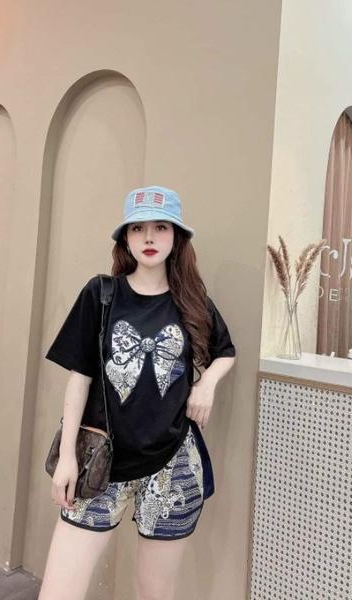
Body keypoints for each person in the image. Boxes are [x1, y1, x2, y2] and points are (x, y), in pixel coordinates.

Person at [39, 185, 236, 600]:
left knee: (154, 592)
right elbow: (79, 378)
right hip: (101, 461)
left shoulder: (192, 302)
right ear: (125, 238)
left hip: (173, 464)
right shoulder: (101, 294)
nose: (149, 237)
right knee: (59, 591)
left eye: (161, 227)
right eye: (138, 228)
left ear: (176, 238)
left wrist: (207, 384)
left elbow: (225, 353)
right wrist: (68, 456)